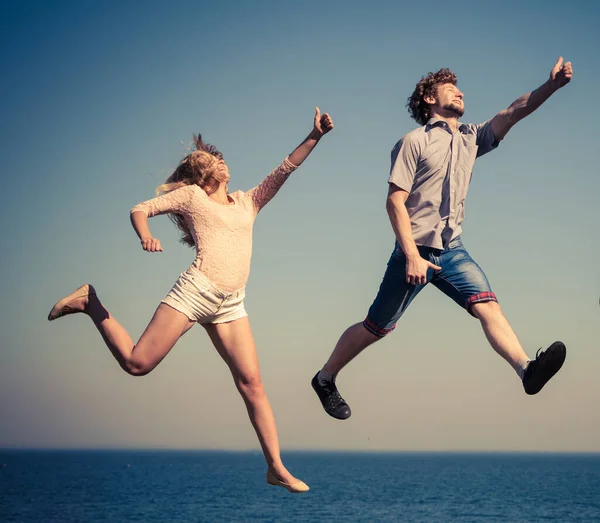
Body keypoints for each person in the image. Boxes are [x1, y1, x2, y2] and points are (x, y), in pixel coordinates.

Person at [48, 107, 334, 492]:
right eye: (218, 160)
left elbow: (285, 169)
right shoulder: (193, 197)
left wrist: (314, 135)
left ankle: (276, 467)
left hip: (231, 304)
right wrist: (145, 235)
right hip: (196, 291)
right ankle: (90, 303)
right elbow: (140, 208)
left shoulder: (248, 201)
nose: (226, 162)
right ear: (207, 171)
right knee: (137, 363)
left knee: (252, 384)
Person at [312, 58, 572, 420]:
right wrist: (412, 256)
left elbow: (513, 111)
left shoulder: (470, 138)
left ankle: (526, 370)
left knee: (488, 306)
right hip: (413, 250)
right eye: (450, 88)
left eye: (460, 87)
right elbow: (394, 202)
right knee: (376, 328)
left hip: (453, 251)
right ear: (429, 99)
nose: (460, 91)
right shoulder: (413, 142)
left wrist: (552, 86)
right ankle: (325, 379)